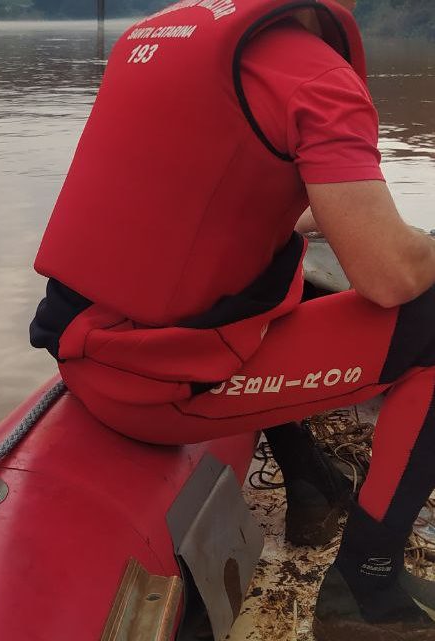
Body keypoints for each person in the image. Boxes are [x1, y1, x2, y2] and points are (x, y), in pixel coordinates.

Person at [29, 0, 435, 638]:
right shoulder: (317, 78)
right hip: (160, 387)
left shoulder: (164, 33)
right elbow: (389, 278)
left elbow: (219, 207)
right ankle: (366, 580)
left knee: (285, 259)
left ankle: (308, 486)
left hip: (83, 351)